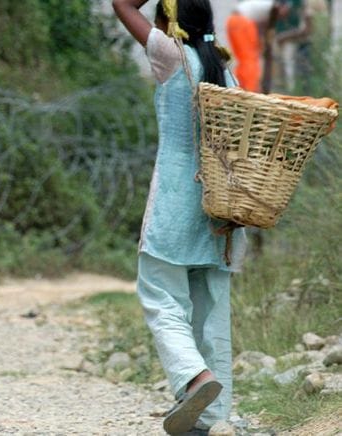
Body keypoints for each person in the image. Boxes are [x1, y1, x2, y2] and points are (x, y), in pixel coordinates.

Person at [112, 0, 247, 434]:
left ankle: (194, 377)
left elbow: (120, 3)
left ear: (170, 20)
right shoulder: (228, 72)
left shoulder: (171, 56)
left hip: (175, 204)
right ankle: (215, 418)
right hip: (220, 213)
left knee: (161, 298)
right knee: (213, 315)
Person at [226, 0, 276, 92]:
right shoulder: (274, 7)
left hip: (232, 21)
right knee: (250, 58)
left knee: (243, 59)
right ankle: (250, 90)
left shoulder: (265, 6)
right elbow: (265, 29)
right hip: (242, 23)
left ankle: (239, 86)